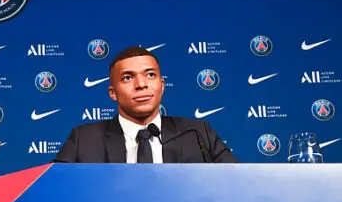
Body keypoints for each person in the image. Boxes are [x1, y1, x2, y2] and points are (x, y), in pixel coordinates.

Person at [53, 45, 238, 163]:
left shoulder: (198, 134)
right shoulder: (84, 140)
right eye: (127, 78)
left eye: (150, 75)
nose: (141, 85)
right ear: (112, 93)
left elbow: (237, 183)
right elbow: (53, 192)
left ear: (162, 85)